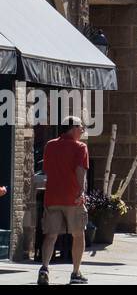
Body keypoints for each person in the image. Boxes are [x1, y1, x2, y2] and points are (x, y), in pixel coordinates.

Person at [38, 116, 90, 286]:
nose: (82, 130)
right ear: (72, 128)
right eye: (81, 127)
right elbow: (80, 171)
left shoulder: (50, 145)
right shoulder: (80, 147)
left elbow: (47, 169)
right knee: (78, 235)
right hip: (73, 198)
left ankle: (44, 269)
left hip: (52, 197)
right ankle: (75, 273)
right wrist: (82, 192)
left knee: (51, 235)